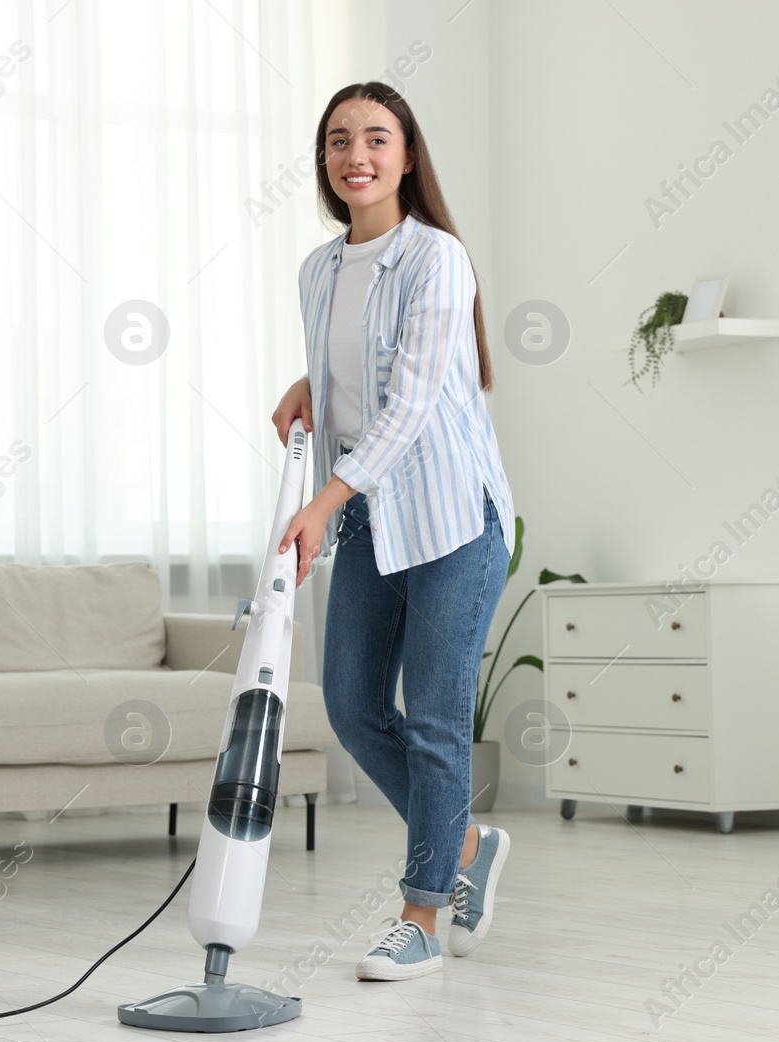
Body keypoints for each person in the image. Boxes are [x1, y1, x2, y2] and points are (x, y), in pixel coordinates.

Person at [270, 81, 517, 981]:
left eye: (377, 138)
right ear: (325, 161)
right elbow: (355, 377)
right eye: (339, 140)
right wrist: (310, 390)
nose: (356, 155)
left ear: (408, 156)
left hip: (455, 517)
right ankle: (468, 843)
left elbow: (412, 401)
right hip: (376, 516)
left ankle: (419, 914)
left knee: (437, 720)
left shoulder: (438, 258)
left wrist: (325, 500)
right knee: (350, 703)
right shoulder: (317, 269)